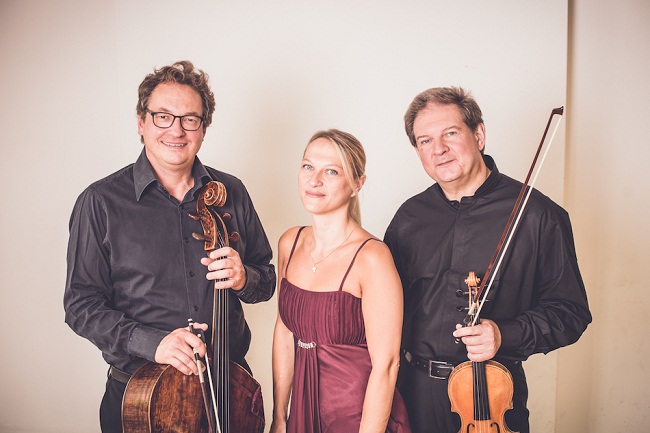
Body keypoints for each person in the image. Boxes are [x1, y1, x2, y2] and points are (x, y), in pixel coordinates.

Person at [64, 60, 275, 433]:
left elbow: (267, 280)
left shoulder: (232, 192)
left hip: (229, 388)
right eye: (163, 117)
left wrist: (245, 277)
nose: (176, 130)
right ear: (141, 122)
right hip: (142, 396)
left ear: (203, 129)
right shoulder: (100, 202)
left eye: (189, 119)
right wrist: (152, 343)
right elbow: (81, 306)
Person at [384, 87, 591, 433]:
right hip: (413, 395)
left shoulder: (536, 214)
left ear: (478, 135)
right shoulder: (409, 217)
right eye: (425, 141)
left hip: (492, 398)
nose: (439, 149)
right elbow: (384, 309)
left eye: (451, 133)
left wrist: (503, 334)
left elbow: (570, 313)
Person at [270, 129, 411, 433]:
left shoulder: (372, 258)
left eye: (331, 171)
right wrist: (279, 417)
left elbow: (386, 365)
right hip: (302, 414)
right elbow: (284, 331)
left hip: (357, 417)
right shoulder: (289, 243)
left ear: (357, 184)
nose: (314, 180)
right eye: (308, 166)